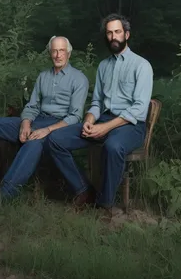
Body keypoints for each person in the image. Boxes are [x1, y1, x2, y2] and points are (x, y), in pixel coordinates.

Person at [48, 14, 153, 215]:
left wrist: (104, 128)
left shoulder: (142, 66)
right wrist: (89, 120)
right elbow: (97, 102)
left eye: (118, 32)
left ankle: (105, 205)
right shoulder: (104, 66)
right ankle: (84, 191)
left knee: (113, 147)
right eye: (109, 32)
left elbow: (139, 109)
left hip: (131, 126)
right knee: (55, 139)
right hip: (103, 120)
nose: (113, 36)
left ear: (127, 35)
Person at [0, 36, 89, 203]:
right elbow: (32, 106)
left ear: (68, 53)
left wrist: (47, 130)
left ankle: (5, 195)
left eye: (61, 51)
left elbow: (75, 116)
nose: (57, 55)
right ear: (49, 53)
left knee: (33, 141)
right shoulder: (43, 76)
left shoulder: (79, 79)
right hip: (36, 120)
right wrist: (25, 122)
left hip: (59, 126)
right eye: (54, 51)